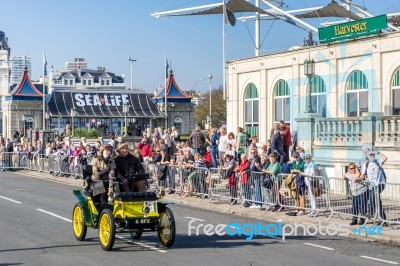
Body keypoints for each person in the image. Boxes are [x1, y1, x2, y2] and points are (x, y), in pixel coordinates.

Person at [290, 151, 305, 215]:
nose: (295, 158)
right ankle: (297, 208)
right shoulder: (293, 162)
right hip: (294, 180)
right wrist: (293, 170)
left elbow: (304, 170)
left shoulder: (302, 162)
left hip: (301, 180)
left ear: (299, 156)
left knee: (301, 195)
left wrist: (299, 171)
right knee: (295, 195)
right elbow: (291, 169)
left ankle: (302, 209)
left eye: (297, 157)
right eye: (294, 157)